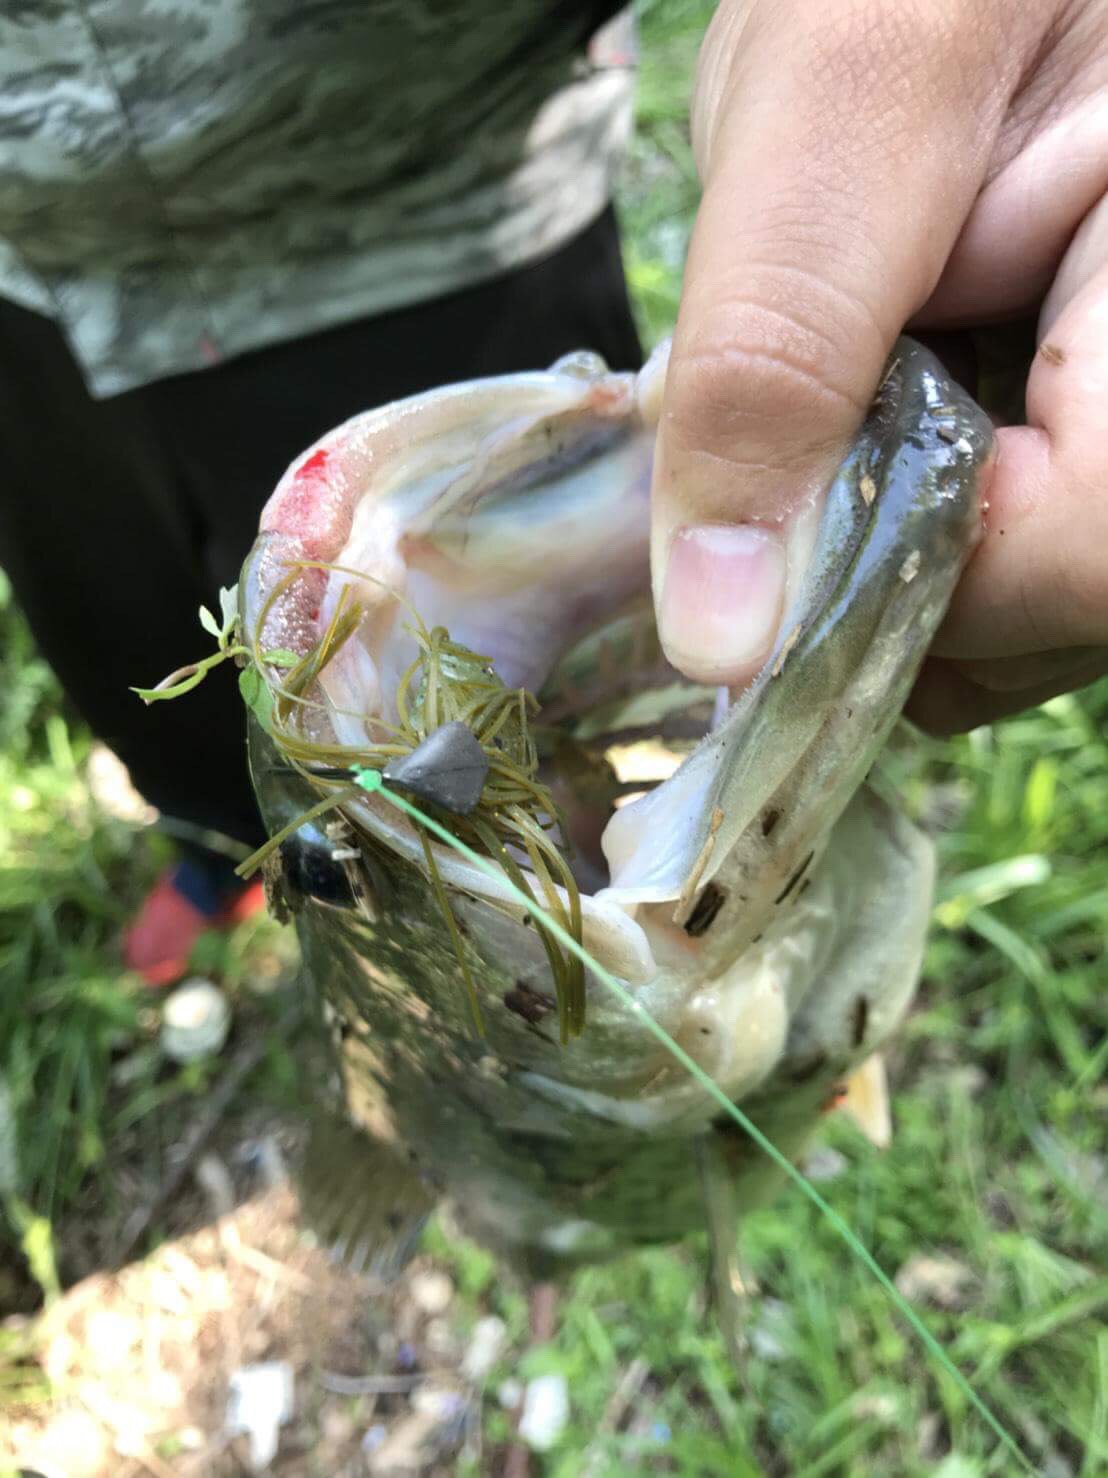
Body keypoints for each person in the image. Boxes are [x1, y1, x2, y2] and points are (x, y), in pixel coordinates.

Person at [2, 2, 1105, 981]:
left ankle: (402, 859)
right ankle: (217, 844)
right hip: (28, 296)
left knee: (586, 693)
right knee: (136, 656)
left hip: (441, 206)